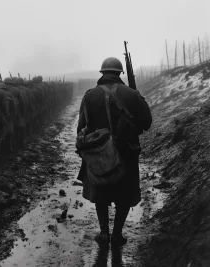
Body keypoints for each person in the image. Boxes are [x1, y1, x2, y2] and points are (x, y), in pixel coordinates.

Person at [76, 57, 152, 246]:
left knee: (100, 193)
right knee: (124, 195)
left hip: (98, 154)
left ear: (102, 73)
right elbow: (147, 123)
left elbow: (81, 129)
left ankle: (104, 234)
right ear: (120, 73)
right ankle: (117, 234)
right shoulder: (132, 94)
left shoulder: (89, 95)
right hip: (127, 153)